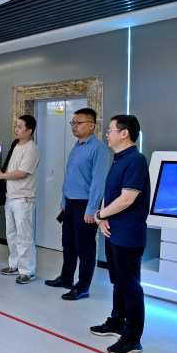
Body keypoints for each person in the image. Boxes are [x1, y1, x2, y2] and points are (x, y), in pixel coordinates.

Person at [91, 115, 150, 353]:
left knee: (130, 285)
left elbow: (127, 199)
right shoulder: (118, 159)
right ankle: (116, 322)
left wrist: (98, 214)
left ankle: (132, 338)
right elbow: (110, 193)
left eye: (110, 130)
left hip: (128, 234)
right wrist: (102, 217)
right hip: (113, 230)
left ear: (124, 133)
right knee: (118, 281)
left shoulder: (136, 160)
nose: (107, 134)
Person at [45, 108, 109, 300]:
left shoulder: (98, 148)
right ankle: (66, 278)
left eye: (78, 122)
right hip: (70, 204)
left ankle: (83, 288)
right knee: (68, 243)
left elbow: (98, 182)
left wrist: (92, 209)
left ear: (91, 125)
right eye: (72, 122)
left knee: (85, 247)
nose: (74, 126)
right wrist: (63, 201)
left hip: (85, 206)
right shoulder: (77, 146)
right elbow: (70, 178)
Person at [0, 115, 41, 284]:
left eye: (20, 127)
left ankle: (28, 271)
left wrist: (2, 176)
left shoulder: (32, 149)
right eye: (16, 126)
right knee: (11, 234)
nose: (16, 129)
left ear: (29, 131)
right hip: (10, 197)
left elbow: (22, 173)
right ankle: (14, 265)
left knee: (24, 236)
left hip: (23, 199)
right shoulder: (16, 145)